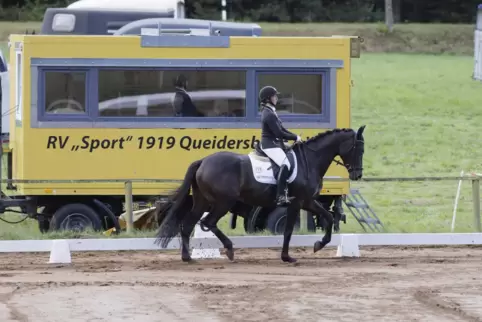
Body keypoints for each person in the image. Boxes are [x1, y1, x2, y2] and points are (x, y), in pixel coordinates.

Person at [259, 85, 302, 206]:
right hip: (270, 145)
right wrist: (294, 137)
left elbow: (282, 129)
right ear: (268, 99)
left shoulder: (271, 112)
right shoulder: (269, 114)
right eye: (274, 96)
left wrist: (295, 136)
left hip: (274, 143)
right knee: (286, 164)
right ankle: (281, 196)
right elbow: (278, 133)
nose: (276, 98)